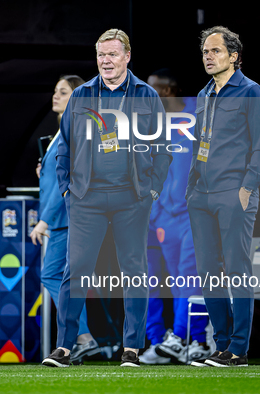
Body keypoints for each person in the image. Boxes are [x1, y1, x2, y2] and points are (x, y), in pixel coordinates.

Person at [42, 28, 171, 368]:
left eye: (113, 54)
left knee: (134, 273)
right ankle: (66, 348)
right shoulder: (82, 95)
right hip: (87, 198)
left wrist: (152, 190)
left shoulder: (146, 95)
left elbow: (162, 149)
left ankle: (132, 349)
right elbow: (64, 148)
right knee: (75, 271)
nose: (106, 61)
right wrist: (68, 189)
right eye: (101, 55)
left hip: (132, 199)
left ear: (127, 56)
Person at [185, 26, 260, 367]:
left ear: (234, 56)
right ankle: (221, 346)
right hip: (201, 196)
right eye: (205, 51)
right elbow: (198, 146)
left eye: (215, 51)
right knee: (208, 272)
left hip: (234, 194)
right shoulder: (204, 94)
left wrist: (247, 188)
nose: (208, 56)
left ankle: (239, 350)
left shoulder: (251, 92)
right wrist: (191, 188)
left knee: (237, 270)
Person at [137, 69, 210, 365]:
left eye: (151, 90)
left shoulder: (199, 113)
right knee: (165, 280)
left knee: (191, 278)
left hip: (192, 211)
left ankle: (190, 338)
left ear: (167, 92)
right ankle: (171, 341)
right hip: (161, 214)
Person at [29, 75, 99, 363]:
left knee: (54, 275)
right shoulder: (61, 133)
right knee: (60, 277)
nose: (55, 97)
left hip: (68, 218)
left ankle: (80, 337)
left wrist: (44, 219)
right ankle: (81, 339)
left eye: (63, 92)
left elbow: (68, 180)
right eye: (55, 91)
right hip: (63, 219)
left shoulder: (77, 132)